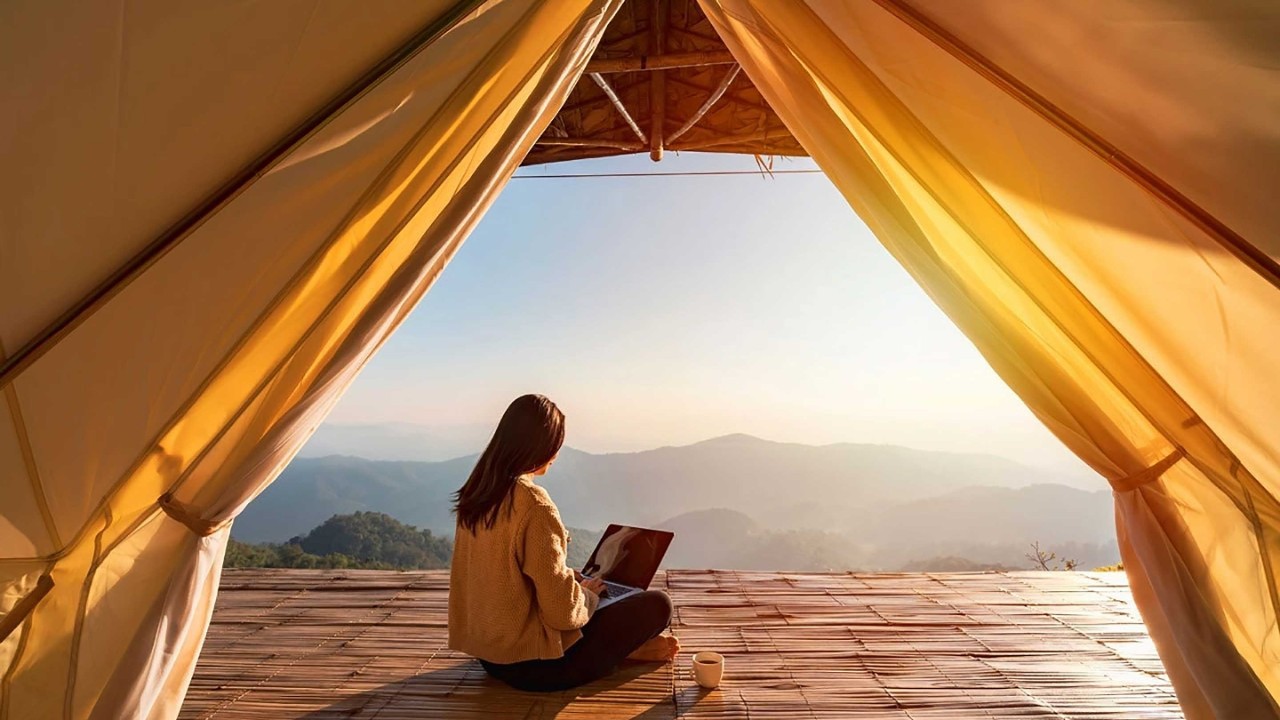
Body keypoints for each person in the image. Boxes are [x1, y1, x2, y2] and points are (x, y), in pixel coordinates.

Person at [447, 394, 679, 692]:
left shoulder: (477, 493)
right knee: (658, 605)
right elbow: (562, 614)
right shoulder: (534, 505)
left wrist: (571, 579)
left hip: (490, 658)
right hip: (536, 666)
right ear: (543, 447)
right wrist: (586, 596)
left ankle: (619, 650)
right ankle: (627, 653)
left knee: (598, 595)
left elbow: (509, 576)